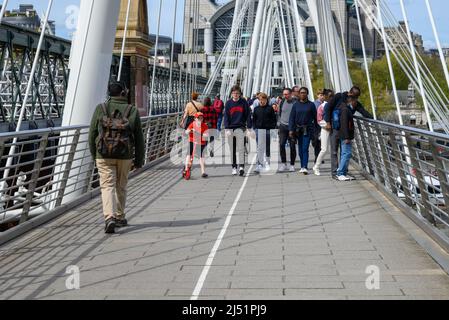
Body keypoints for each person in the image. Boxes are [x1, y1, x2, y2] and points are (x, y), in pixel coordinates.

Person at [88, 81, 145, 234]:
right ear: (123, 93)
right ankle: (120, 216)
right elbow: (139, 138)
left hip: (103, 154)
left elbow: (92, 134)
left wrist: (95, 155)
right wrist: (139, 160)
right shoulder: (132, 110)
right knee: (121, 185)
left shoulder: (100, 109)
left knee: (107, 186)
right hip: (125, 155)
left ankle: (109, 217)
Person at [324, 86, 373, 179]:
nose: (356, 98)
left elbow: (363, 112)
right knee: (334, 151)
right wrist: (328, 122)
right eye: (355, 96)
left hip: (344, 129)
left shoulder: (355, 102)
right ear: (350, 93)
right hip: (335, 128)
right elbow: (327, 107)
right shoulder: (339, 97)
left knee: (344, 151)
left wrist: (373, 120)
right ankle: (335, 173)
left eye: (357, 97)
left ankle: (343, 172)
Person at [289, 87, 318, 175]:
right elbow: (291, 118)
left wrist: (317, 130)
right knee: (300, 149)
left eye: (304, 92)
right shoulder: (295, 105)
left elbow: (315, 118)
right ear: (299, 94)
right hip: (298, 130)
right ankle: (302, 166)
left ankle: (305, 166)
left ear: (307, 94)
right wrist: (291, 130)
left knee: (305, 148)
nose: (302, 94)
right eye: (301, 92)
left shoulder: (311, 105)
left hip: (308, 129)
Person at [224, 85, 252, 176]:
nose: (235, 94)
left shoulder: (243, 102)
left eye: (237, 93)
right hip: (231, 128)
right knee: (232, 150)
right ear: (231, 94)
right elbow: (226, 116)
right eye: (234, 93)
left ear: (240, 94)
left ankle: (241, 167)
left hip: (240, 127)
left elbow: (248, 115)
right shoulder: (228, 103)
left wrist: (249, 128)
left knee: (241, 149)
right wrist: (227, 128)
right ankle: (234, 167)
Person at [252, 92, 277, 173]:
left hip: (268, 130)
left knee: (267, 147)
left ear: (266, 100)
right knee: (259, 148)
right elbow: (254, 120)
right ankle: (259, 164)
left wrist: (273, 130)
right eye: (260, 100)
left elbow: (274, 120)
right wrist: (254, 129)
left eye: (263, 100)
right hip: (258, 130)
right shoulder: (256, 109)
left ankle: (267, 163)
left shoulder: (270, 109)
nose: (262, 101)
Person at [313, 89, 335, 176]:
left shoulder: (335, 105)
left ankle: (336, 168)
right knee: (324, 149)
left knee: (334, 149)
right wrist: (326, 125)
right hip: (325, 129)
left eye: (332, 96)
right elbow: (319, 119)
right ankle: (316, 167)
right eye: (330, 96)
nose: (331, 98)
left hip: (334, 129)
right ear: (325, 96)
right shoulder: (321, 106)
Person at [336, 97, 357, 181]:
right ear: (351, 101)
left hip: (344, 135)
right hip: (345, 136)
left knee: (345, 154)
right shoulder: (345, 110)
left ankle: (343, 173)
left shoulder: (344, 108)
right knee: (346, 154)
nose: (356, 104)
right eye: (355, 102)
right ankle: (340, 173)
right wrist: (347, 137)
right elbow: (344, 124)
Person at [184, 112, 209, 179]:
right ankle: (186, 169)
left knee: (201, 156)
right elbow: (186, 131)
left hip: (201, 142)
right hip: (192, 141)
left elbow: (206, 135)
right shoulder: (192, 124)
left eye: (201, 118)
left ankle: (203, 172)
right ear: (195, 119)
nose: (200, 119)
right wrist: (189, 131)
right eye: (198, 118)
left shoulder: (204, 126)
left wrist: (198, 133)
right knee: (189, 154)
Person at [278, 88, 297, 172]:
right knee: (281, 144)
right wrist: (279, 123)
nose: (285, 96)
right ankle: (283, 163)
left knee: (292, 146)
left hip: (292, 127)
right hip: (282, 126)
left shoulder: (295, 102)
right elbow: (279, 113)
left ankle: (292, 164)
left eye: (286, 94)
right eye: (284, 94)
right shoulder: (282, 102)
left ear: (290, 94)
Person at [312, 89, 326, 164]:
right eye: (320, 95)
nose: (322, 97)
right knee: (316, 142)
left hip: (323, 125)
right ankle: (317, 157)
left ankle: (320, 157)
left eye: (323, 95)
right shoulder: (314, 104)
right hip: (316, 125)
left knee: (322, 142)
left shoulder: (326, 104)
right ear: (317, 95)